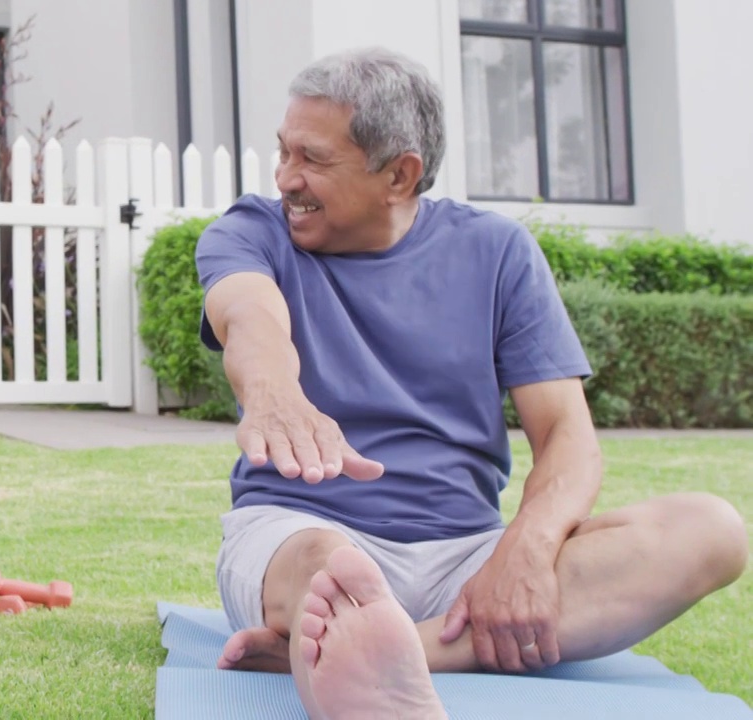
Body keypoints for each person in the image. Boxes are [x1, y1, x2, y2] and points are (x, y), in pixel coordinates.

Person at [197, 47, 748, 719]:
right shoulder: (251, 232)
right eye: (283, 152)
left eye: (312, 159)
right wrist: (274, 391)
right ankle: (370, 649)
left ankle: (399, 649)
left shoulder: (498, 251)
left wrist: (525, 553)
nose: (286, 177)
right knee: (326, 566)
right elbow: (250, 317)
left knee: (713, 530)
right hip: (302, 531)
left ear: (399, 176)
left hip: (467, 556)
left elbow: (568, 437)